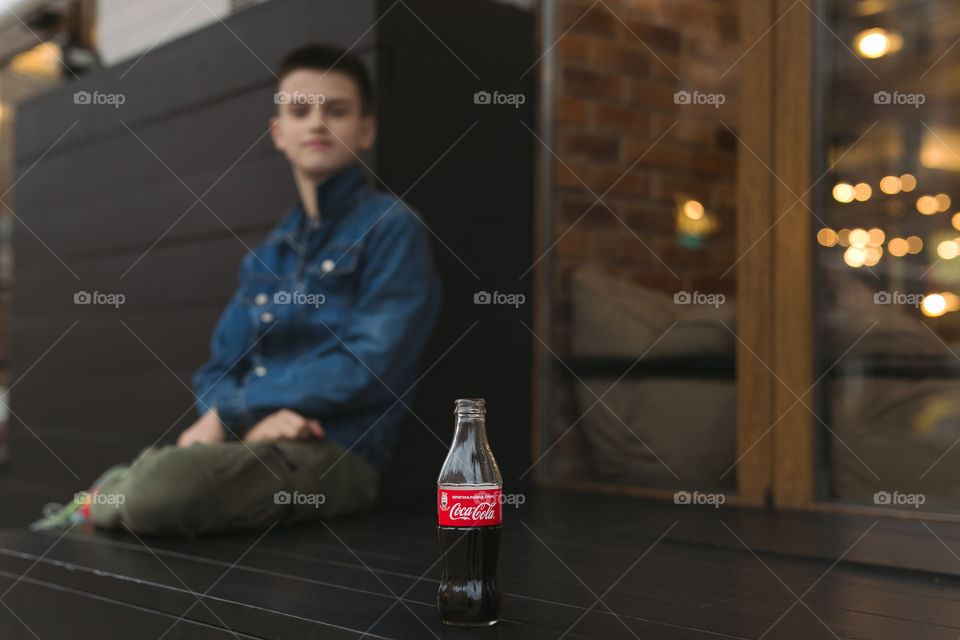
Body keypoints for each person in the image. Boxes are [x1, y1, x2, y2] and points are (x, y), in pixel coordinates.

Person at [31, 44, 443, 537]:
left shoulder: (392, 228)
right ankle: (113, 494)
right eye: (299, 110)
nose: (317, 123)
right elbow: (216, 369)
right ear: (278, 133)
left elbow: (371, 367)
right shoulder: (267, 258)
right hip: (250, 445)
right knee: (169, 480)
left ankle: (105, 496)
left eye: (336, 110)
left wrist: (240, 411)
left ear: (366, 128)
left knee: (164, 488)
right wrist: (246, 416)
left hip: (340, 455)